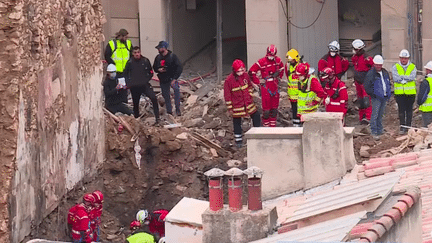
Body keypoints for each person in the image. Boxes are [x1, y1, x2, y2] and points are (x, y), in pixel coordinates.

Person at [224, 59, 261, 147]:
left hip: (248, 103)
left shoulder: (245, 76)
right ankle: (238, 141)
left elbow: (249, 86)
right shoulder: (229, 80)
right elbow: (227, 95)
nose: (241, 72)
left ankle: (257, 134)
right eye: (239, 71)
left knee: (256, 116)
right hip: (237, 105)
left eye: (242, 70)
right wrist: (230, 108)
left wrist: (250, 95)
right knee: (237, 121)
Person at [249, 44, 284, 127]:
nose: (271, 57)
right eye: (270, 55)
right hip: (266, 86)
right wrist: (258, 81)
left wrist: (279, 77)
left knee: (274, 109)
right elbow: (251, 72)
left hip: (275, 85)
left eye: (273, 56)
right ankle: (266, 128)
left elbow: (282, 68)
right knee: (266, 110)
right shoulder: (261, 62)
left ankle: (273, 127)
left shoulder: (278, 60)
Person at [124, 46, 160, 122]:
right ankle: (137, 119)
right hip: (134, 87)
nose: (137, 54)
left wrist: (146, 79)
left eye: (138, 52)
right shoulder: (130, 62)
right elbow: (126, 74)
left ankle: (157, 117)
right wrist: (129, 84)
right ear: (132, 54)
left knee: (153, 98)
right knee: (135, 103)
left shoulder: (145, 61)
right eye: (135, 53)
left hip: (144, 85)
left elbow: (150, 72)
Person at [364, 55, 392, 140]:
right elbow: (367, 86)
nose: (379, 66)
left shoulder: (384, 72)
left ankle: (380, 130)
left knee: (380, 114)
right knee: (375, 114)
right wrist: (373, 94)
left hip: (383, 97)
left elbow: (387, 83)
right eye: (377, 65)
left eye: (380, 65)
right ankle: (374, 131)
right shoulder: (371, 74)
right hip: (376, 97)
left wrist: (388, 93)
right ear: (374, 64)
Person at [153, 41, 183, 116]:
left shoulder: (172, 57)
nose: (158, 50)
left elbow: (179, 68)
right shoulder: (158, 57)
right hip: (163, 79)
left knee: (176, 91)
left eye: (159, 48)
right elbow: (155, 67)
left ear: (164, 48)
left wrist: (175, 78)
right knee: (165, 95)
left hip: (172, 78)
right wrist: (158, 69)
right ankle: (169, 111)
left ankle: (178, 109)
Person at [392, 49, 417, 134]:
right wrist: (406, 78)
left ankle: (408, 126)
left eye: (405, 58)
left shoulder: (412, 66)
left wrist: (402, 78)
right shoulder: (395, 66)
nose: (403, 60)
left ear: (408, 58)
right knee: (401, 111)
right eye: (402, 58)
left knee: (409, 111)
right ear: (399, 58)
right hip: (400, 93)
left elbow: (412, 77)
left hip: (410, 93)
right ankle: (402, 127)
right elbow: (395, 78)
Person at [352, 39, 374, 124]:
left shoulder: (367, 58)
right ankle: (362, 117)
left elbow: (373, 68)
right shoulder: (354, 58)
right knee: (360, 100)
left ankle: (368, 117)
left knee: (367, 100)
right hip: (358, 82)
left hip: (365, 82)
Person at [285, 49, 302, 126]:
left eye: (292, 60)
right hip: (292, 94)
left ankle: (300, 123)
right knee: (294, 110)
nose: (290, 62)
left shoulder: (301, 66)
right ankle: (295, 124)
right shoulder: (288, 66)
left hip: (300, 94)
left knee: (300, 110)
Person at [417, 61, 432, 127]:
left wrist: (419, 103)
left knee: (427, 129)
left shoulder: (426, 81)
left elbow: (422, 97)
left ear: (428, 70)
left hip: (427, 109)